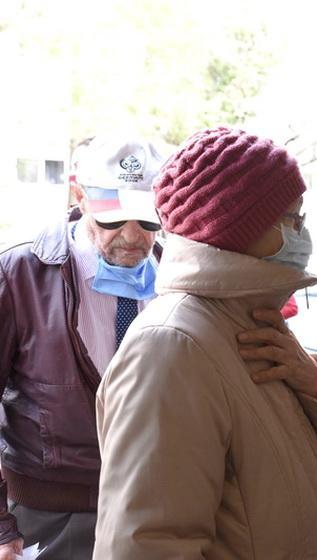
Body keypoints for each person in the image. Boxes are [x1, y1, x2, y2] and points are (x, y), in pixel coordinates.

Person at [93, 127, 317, 560]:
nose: (302, 233)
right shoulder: (170, 348)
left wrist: (315, 385)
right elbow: (145, 546)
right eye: (292, 218)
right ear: (237, 227)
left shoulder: (249, 321)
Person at [0, 135, 164, 559]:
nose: (132, 236)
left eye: (148, 219)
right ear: (80, 195)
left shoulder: (179, 274)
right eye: (114, 217)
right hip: (49, 513)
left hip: (155, 505)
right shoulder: (20, 275)